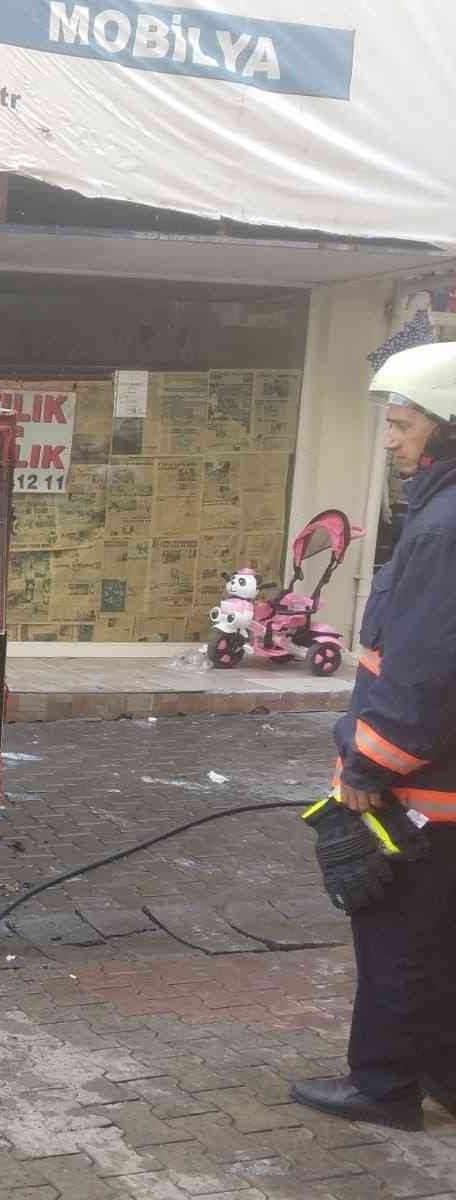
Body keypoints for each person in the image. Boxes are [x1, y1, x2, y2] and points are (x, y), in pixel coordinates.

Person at [291, 342, 456, 1133]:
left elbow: (421, 676)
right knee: (444, 946)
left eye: (402, 424)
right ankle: (445, 1079)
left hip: (421, 789)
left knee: (397, 942)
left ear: (447, 429)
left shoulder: (441, 530)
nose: (390, 441)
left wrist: (366, 765)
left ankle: (384, 1088)